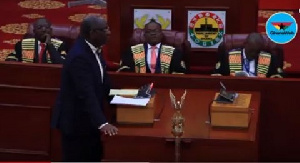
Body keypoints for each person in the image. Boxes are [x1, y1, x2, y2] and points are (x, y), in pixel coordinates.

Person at [51, 16, 118, 161]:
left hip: (89, 123)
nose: (109, 32)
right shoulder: (79, 57)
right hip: (76, 125)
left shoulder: (94, 49)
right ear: (93, 33)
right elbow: (86, 94)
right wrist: (103, 123)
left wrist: (131, 97)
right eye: (105, 29)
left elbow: (104, 84)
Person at [118, 19, 186, 74]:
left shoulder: (174, 52)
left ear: (161, 34)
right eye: (149, 32)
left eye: (156, 31)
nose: (153, 34)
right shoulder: (132, 51)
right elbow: (124, 71)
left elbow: (179, 73)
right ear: (144, 35)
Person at [212, 32, 283, 78]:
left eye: (257, 51)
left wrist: (273, 77)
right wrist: (221, 76)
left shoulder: (269, 58)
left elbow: (280, 75)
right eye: (251, 51)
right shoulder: (229, 56)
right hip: (235, 89)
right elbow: (216, 73)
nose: (254, 54)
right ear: (245, 45)